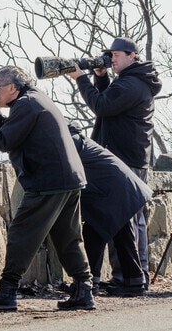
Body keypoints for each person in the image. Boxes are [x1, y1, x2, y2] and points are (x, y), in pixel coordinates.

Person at [0, 66, 95, 311]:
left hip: (48, 182)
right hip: (68, 178)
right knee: (68, 237)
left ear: (12, 87)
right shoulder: (34, 100)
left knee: (21, 234)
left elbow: (4, 141)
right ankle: (84, 290)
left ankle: (7, 292)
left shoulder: (26, 105)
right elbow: (12, 131)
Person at [67, 36, 162, 295]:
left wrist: (81, 79)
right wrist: (100, 77)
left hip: (127, 157)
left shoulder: (133, 83)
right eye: (110, 54)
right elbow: (110, 100)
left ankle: (133, 276)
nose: (112, 59)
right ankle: (126, 276)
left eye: (117, 54)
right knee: (120, 218)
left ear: (133, 56)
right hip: (126, 155)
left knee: (126, 218)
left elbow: (102, 106)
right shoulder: (131, 80)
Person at [69, 124, 153, 297]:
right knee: (119, 233)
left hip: (114, 190)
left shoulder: (71, 143)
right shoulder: (78, 141)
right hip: (120, 188)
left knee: (96, 231)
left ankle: (89, 283)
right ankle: (133, 281)